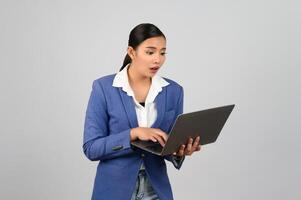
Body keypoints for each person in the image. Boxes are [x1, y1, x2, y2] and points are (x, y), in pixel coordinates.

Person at [83, 23, 201, 200]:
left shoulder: (174, 91)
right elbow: (91, 148)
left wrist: (179, 151)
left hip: (156, 188)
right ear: (131, 52)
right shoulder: (103, 88)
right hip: (115, 189)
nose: (157, 60)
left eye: (162, 53)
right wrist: (133, 134)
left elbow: (167, 144)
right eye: (150, 52)